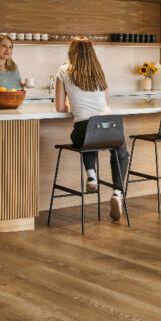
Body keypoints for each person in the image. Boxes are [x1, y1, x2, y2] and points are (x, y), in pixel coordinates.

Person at [55, 37, 128, 221]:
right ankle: (117, 192)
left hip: (86, 131)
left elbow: (60, 108)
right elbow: (106, 102)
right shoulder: (99, 72)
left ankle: (91, 175)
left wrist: (73, 105)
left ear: (71, 53)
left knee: (86, 132)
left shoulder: (64, 70)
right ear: (92, 53)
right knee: (120, 152)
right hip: (110, 126)